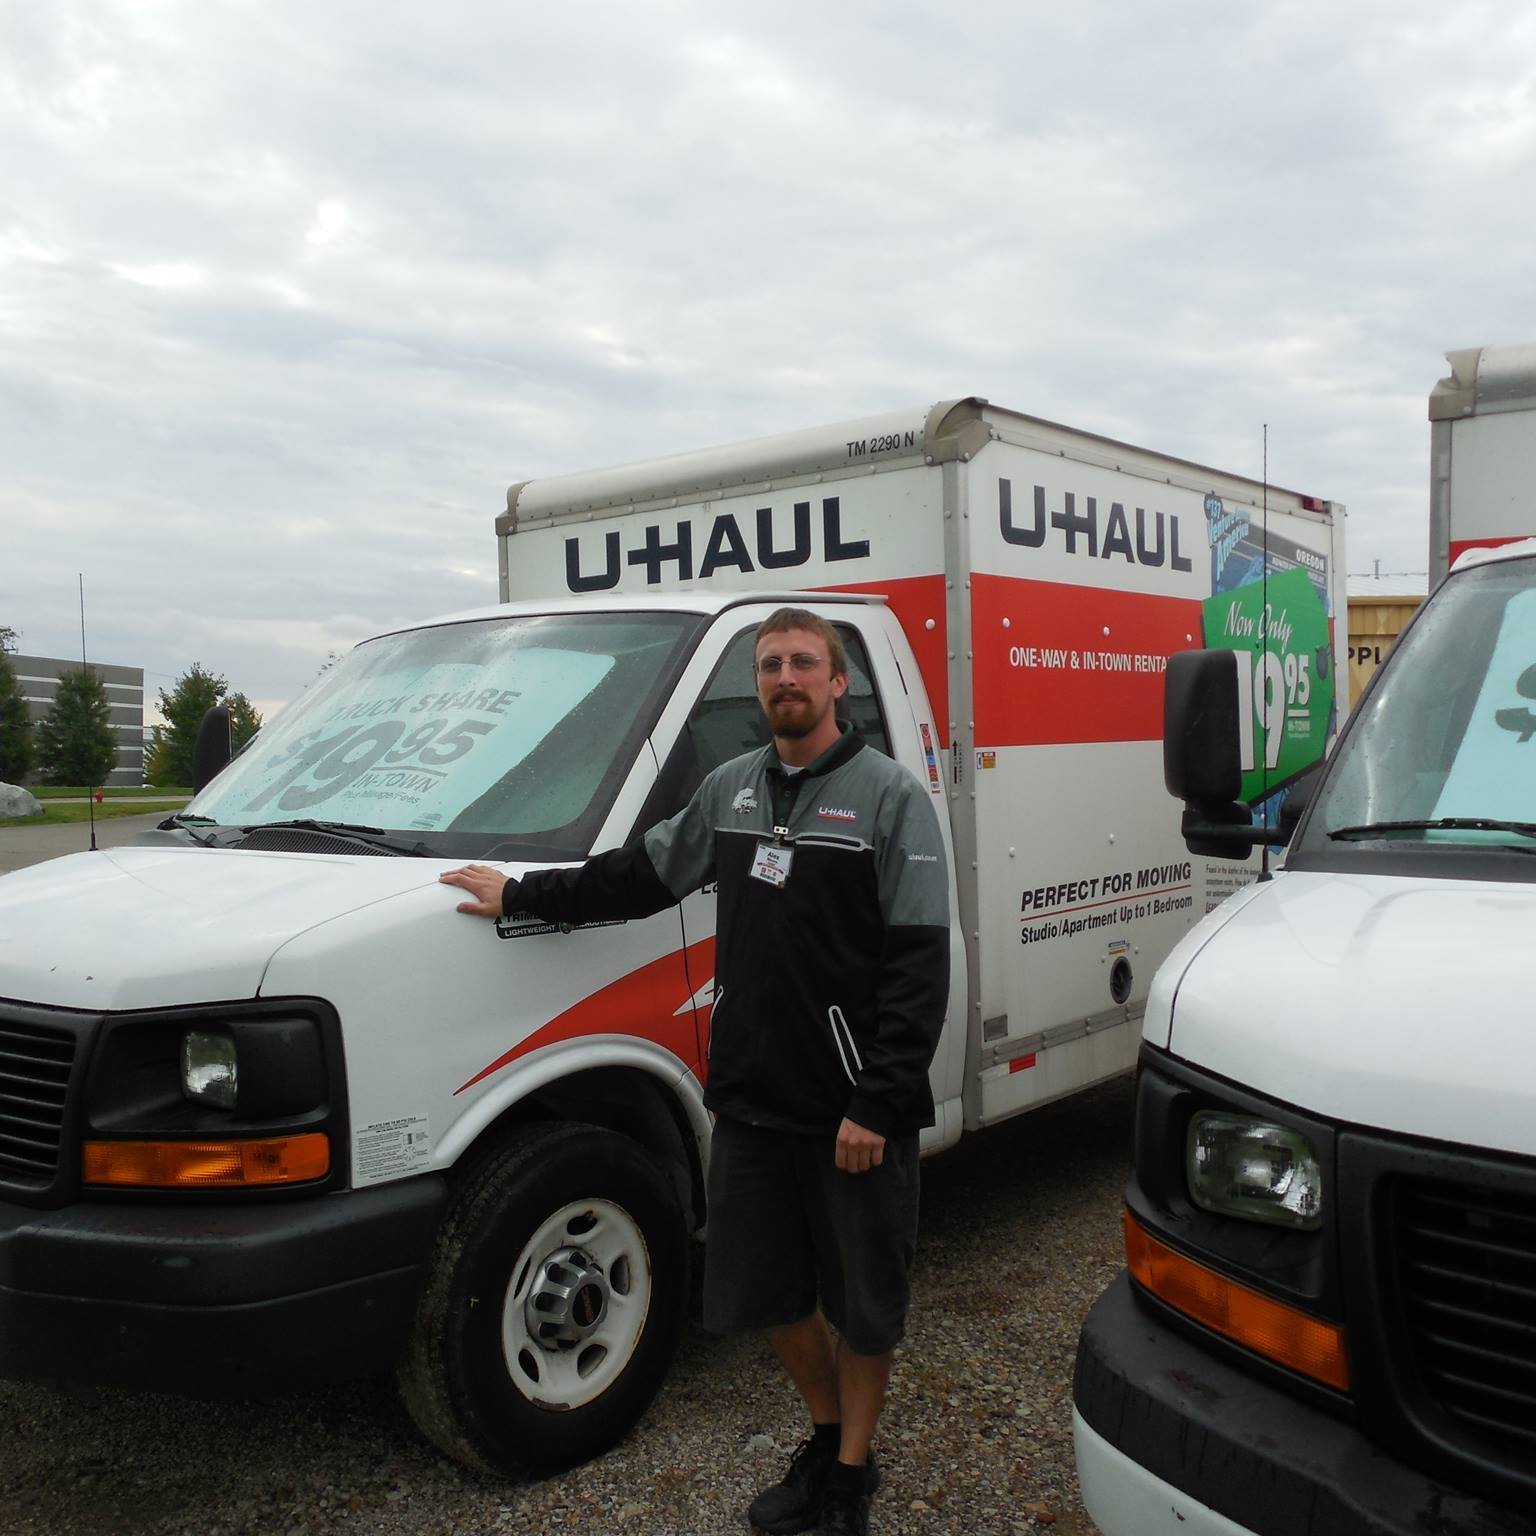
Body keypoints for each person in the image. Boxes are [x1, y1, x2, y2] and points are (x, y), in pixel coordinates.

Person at [440, 607, 950, 1536]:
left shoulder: (889, 799)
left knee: (867, 1304)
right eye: (771, 665)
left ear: (838, 683)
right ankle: (825, 1436)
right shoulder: (730, 791)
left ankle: (850, 1476)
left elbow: (920, 966)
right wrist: (521, 893)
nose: (786, 677)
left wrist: (878, 1101)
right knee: (767, 1294)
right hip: (752, 1099)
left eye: (804, 662)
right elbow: (636, 878)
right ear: (757, 686)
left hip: (852, 1110)